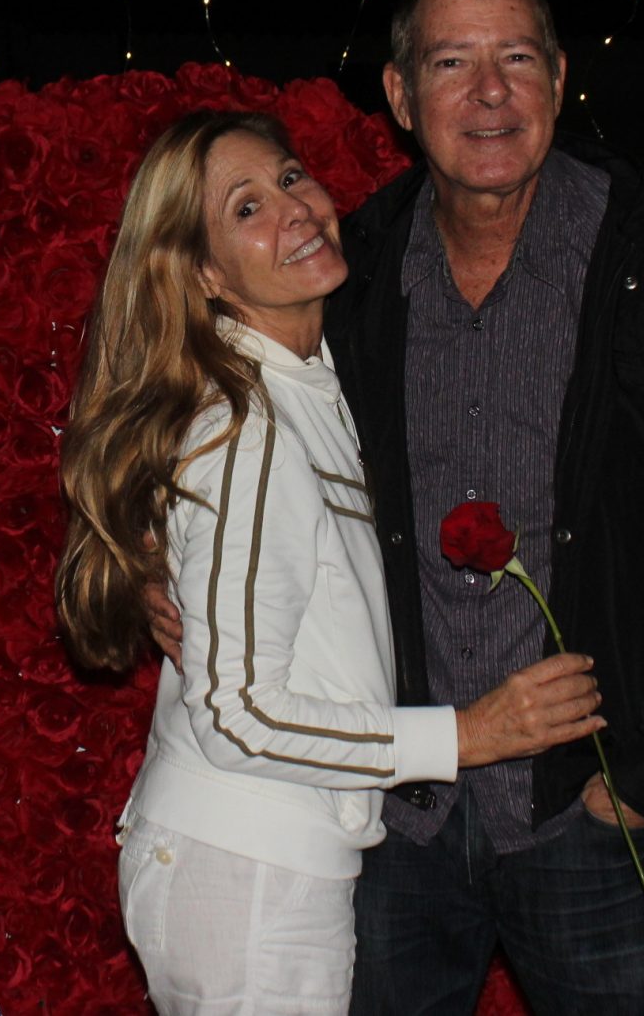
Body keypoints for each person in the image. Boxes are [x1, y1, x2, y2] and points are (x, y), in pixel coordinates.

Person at [326, 0, 644, 1014]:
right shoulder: (349, 275)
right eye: (451, 61)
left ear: (557, 76)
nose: (489, 92)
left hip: (588, 817)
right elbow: (245, 446)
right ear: (400, 95)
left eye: (516, 58)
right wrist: (160, 566)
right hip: (397, 821)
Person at [57, 111, 603, 1016]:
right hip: (249, 876)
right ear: (202, 272)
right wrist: (466, 736)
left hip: (270, 860)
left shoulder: (308, 385)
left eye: (290, 176)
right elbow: (239, 711)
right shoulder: (250, 430)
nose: (294, 208)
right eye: (246, 208)